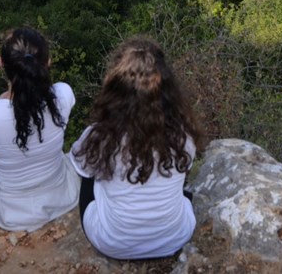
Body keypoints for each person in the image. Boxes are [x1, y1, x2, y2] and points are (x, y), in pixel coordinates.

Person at [70, 36, 204, 260]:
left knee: (87, 175)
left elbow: (78, 165)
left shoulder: (100, 136)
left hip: (113, 243)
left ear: (115, 89)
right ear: (168, 90)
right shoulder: (184, 135)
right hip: (175, 237)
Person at [0, 27, 79, 231]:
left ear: (1, 63)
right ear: (48, 62)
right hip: (56, 192)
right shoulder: (63, 96)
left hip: (6, 206)